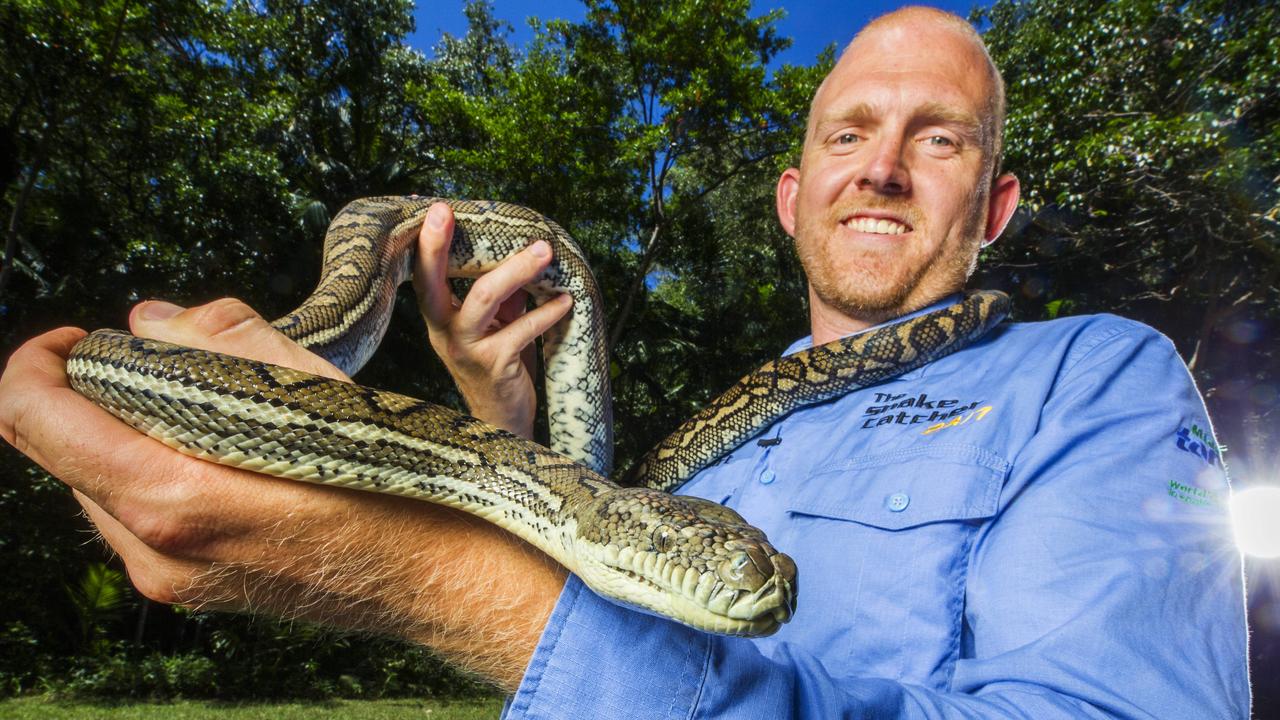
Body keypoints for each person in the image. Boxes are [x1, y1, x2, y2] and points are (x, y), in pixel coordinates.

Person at [0, 6, 1250, 717]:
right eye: (849, 132)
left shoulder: (1095, 377)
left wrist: (406, 562)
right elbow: (582, 527)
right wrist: (502, 409)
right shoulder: (713, 435)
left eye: (939, 141)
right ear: (787, 195)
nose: (879, 165)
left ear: (994, 206)